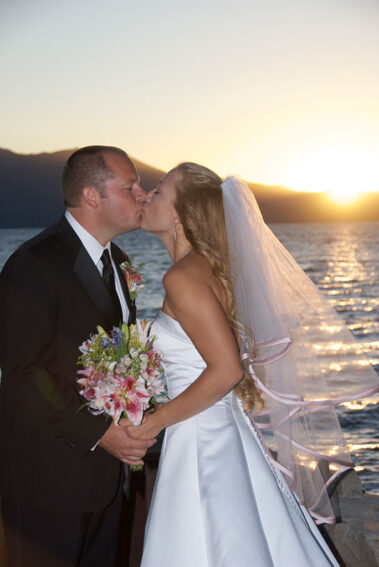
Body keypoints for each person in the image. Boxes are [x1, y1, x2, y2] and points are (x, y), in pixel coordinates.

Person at [130, 162, 379, 566]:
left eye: (159, 190)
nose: (147, 195)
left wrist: (152, 422)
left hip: (201, 438)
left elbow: (226, 370)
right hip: (223, 430)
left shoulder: (182, 277)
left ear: (181, 212)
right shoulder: (210, 270)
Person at [0, 146, 156, 566]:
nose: (143, 194)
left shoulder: (118, 262)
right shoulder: (33, 264)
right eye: (130, 186)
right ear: (92, 196)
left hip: (106, 482)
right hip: (47, 484)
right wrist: (103, 433)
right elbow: (22, 375)